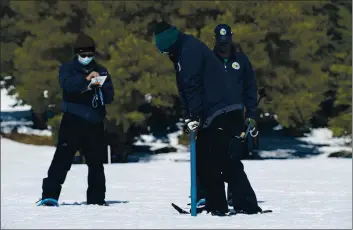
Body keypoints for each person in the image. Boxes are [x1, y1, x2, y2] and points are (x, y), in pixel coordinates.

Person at [154, 21, 263, 215]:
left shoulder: (188, 52)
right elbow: (187, 90)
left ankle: (229, 205)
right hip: (214, 111)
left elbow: (192, 85)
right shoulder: (185, 50)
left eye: (165, 52)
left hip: (222, 111)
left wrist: (195, 115)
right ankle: (226, 204)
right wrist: (192, 115)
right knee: (213, 160)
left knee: (219, 160)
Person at [38, 33, 114, 206]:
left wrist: (100, 87)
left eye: (90, 55)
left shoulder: (102, 70)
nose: (87, 58)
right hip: (72, 121)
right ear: (77, 54)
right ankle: (49, 196)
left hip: (94, 123)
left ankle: (97, 199)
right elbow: (67, 85)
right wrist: (85, 80)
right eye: (83, 55)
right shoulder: (68, 69)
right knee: (62, 160)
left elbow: (110, 96)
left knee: (96, 164)